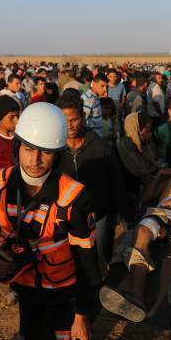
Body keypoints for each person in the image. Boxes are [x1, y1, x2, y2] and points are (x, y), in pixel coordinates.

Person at [0, 102, 100, 340]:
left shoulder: (75, 197)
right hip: (26, 293)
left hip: (63, 298)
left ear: (58, 154)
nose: (35, 160)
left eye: (45, 152)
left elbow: (88, 264)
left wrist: (82, 315)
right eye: (28, 149)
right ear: (17, 147)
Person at [100, 169, 171, 332]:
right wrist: (160, 175)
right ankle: (137, 299)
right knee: (142, 233)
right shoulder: (169, 181)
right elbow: (146, 197)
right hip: (161, 212)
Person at [57, 96, 132, 267]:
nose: (69, 126)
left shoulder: (100, 147)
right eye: (64, 120)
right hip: (65, 219)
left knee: (98, 258)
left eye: (74, 119)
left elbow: (116, 182)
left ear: (83, 116)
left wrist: (126, 213)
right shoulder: (55, 150)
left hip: (98, 217)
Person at [82, 73, 108, 137]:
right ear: (93, 84)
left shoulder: (94, 97)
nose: (105, 89)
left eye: (106, 87)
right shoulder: (89, 99)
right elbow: (83, 122)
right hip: (93, 138)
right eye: (102, 86)